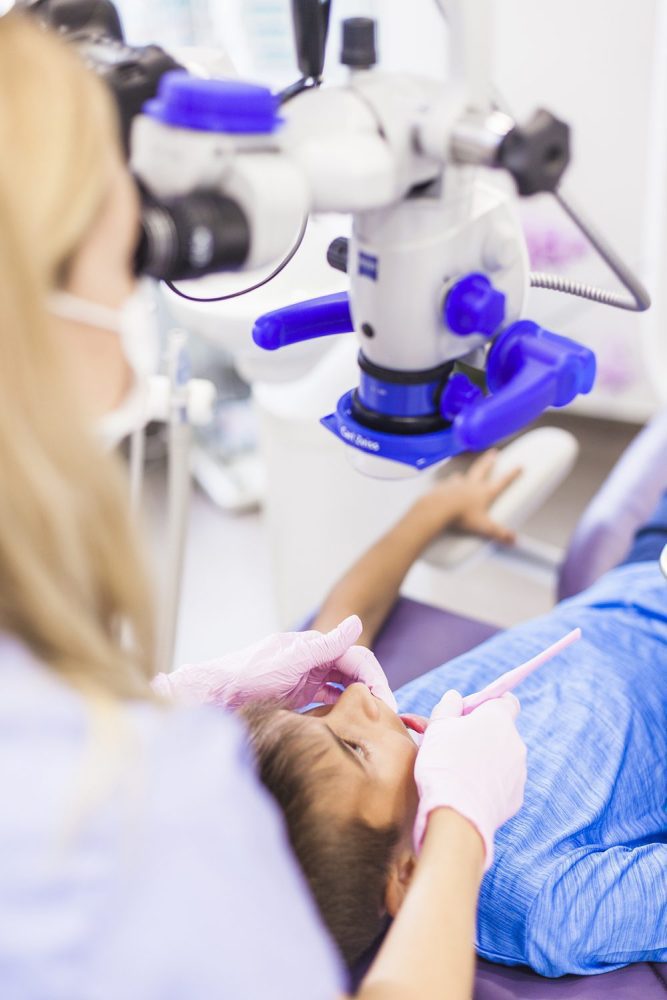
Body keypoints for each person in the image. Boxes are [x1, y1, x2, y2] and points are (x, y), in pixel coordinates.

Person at [0, 13, 527, 1000]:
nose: (126, 347)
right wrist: (461, 827)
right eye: (121, 281)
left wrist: (419, 520)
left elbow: (328, 629)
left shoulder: (209, 757)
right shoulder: (165, 818)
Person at [242, 470, 667, 979]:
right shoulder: (544, 904)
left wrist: (433, 510)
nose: (356, 698)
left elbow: (341, 623)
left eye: (314, 712)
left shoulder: (399, 731)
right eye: (355, 749)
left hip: (640, 570)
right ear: (404, 873)